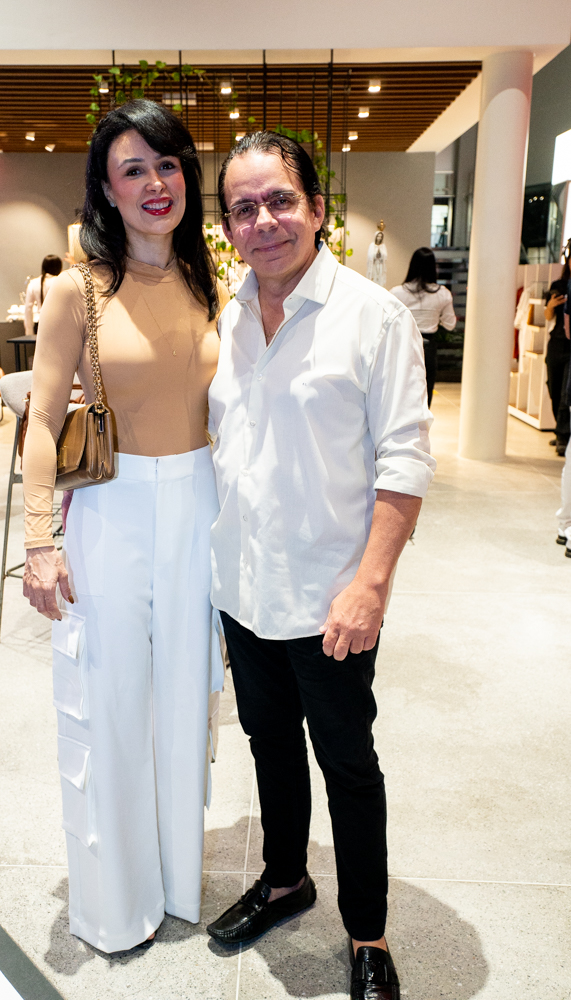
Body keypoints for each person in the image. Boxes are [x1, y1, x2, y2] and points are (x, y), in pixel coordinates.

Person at [205, 132, 435, 1000]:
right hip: (244, 589)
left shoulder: (373, 318)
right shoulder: (228, 316)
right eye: (243, 208)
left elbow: (404, 463)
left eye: (279, 201)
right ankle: (284, 880)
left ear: (315, 209)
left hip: (330, 596)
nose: (262, 221)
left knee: (346, 762)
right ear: (228, 224)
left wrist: (370, 585)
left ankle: (367, 931)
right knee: (268, 745)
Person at [21, 100, 228, 954]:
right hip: (112, 509)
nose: (154, 183)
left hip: (199, 508)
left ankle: (176, 883)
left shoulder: (210, 282)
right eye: (132, 169)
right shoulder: (78, 289)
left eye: (166, 164)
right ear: (106, 189)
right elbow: (41, 420)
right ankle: (115, 901)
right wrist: (40, 540)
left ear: (187, 175)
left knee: (184, 700)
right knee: (108, 699)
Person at [390, 247, 456, 406]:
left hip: (404, 344)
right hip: (428, 346)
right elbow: (450, 324)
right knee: (426, 393)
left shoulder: (396, 293)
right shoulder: (442, 294)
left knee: (401, 391)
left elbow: (388, 322)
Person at [545, 252, 570, 455]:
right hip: (556, 343)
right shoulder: (558, 286)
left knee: (565, 394)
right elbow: (547, 316)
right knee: (553, 388)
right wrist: (551, 306)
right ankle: (561, 430)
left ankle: (563, 435)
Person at [23, 254, 63, 336]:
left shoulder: (34, 283)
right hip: (60, 324)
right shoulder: (60, 281)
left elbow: (28, 308)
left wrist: (29, 331)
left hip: (41, 325)